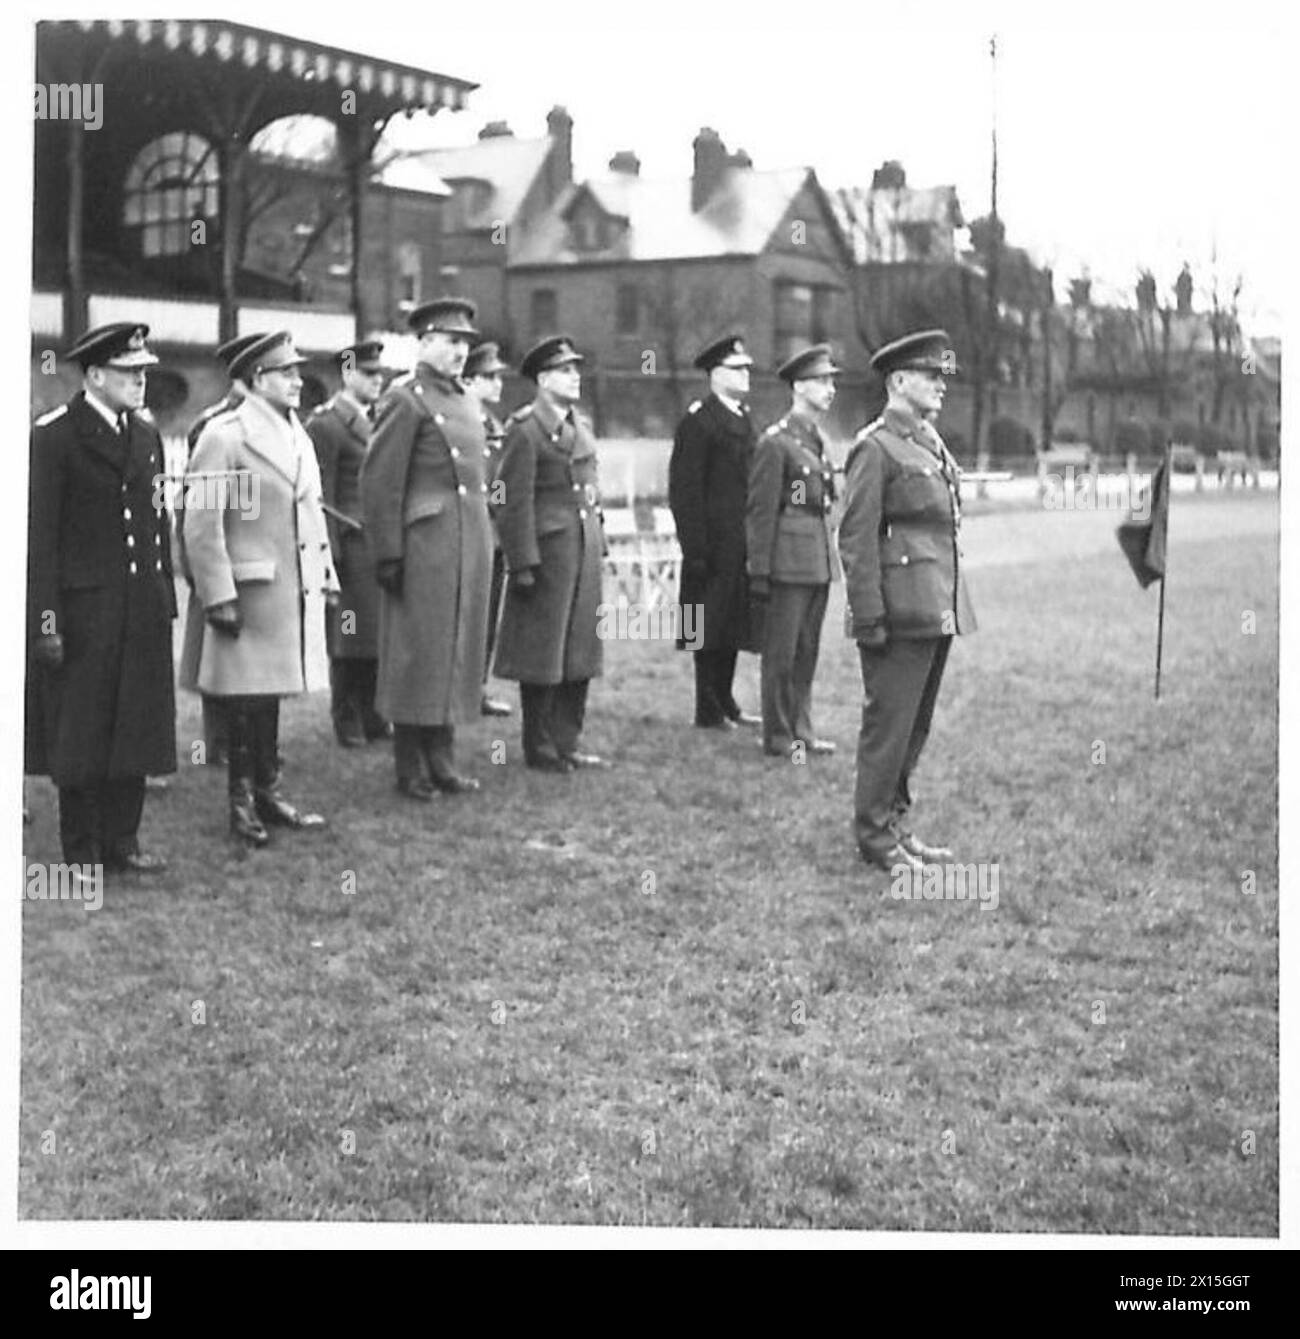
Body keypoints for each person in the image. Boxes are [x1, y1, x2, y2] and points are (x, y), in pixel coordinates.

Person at [25, 322, 176, 873]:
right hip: (83, 609)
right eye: (128, 372)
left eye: (143, 372)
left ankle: (123, 841)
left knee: (134, 721)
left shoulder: (146, 435)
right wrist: (45, 623)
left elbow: (157, 521)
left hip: (139, 604)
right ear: (93, 374)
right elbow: (38, 540)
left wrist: (165, 599)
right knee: (82, 727)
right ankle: (81, 847)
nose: (140, 382)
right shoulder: (56, 436)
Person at [184, 331, 338, 846]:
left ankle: (268, 792)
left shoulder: (298, 434)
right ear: (255, 379)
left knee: (269, 698)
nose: (298, 381)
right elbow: (201, 526)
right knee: (243, 703)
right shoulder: (224, 435)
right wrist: (218, 595)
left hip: (287, 590)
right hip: (248, 592)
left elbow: (310, 513)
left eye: (297, 371)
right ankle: (241, 801)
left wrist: (326, 574)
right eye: (286, 372)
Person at [837, 329, 976, 873]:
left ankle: (894, 823)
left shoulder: (925, 441)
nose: (941, 384)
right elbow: (856, 538)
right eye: (930, 375)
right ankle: (874, 837)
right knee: (889, 725)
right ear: (897, 382)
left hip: (935, 605)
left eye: (942, 375)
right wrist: (869, 616)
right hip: (896, 612)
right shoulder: (875, 447)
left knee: (915, 725)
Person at [360, 298, 494, 801]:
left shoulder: (466, 400)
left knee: (455, 650)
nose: (460, 352)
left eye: (465, 343)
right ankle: (410, 763)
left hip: (467, 543)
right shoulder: (405, 398)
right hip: (423, 547)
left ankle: (442, 757)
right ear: (425, 342)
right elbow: (380, 482)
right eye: (450, 341)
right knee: (418, 654)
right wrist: (388, 553)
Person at [492, 335, 607, 772]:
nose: (575, 377)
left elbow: (592, 491)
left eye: (576, 369)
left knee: (580, 650)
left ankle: (567, 740)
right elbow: (506, 497)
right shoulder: (525, 430)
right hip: (546, 555)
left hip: (583, 549)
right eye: (564, 370)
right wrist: (521, 560)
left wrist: (601, 538)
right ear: (542, 379)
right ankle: (538, 745)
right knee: (541, 652)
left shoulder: (583, 427)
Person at [746, 343, 841, 759]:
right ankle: (779, 733)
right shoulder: (776, 443)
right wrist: (760, 570)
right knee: (781, 655)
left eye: (831, 380)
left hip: (817, 558)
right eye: (822, 381)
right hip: (787, 561)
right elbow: (761, 511)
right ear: (799, 387)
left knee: (806, 652)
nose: (830, 388)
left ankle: (802, 729)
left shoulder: (818, 439)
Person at [667, 333, 761, 730]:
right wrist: (696, 547)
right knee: (704, 625)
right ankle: (706, 706)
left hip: (739, 541)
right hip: (709, 544)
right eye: (736, 370)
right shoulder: (699, 421)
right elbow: (684, 489)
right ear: (715, 375)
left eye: (746, 369)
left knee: (731, 623)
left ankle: (725, 699)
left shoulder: (742, 418)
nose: (745, 376)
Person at [176, 332, 261, 767]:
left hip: (254, 554)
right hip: (217, 550)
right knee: (217, 650)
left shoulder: (274, 423)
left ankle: (248, 743)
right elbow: (197, 502)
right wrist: (198, 567)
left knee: (248, 654)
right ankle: (217, 742)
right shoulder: (215, 426)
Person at [306, 339, 388, 747]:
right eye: (369, 373)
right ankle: (347, 714)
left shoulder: (379, 420)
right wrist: (331, 555)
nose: (378, 381)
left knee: (374, 633)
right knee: (348, 633)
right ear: (347, 374)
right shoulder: (327, 424)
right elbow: (322, 496)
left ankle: (372, 711)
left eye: (380, 373)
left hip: (375, 543)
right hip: (349, 545)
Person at [461, 339, 513, 719]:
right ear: (469, 381)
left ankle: (476, 687)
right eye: (489, 377)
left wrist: (501, 503)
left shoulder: (494, 424)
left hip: (493, 537)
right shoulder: (461, 420)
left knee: (487, 614)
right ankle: (458, 688)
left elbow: (500, 482)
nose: (498, 384)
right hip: (465, 534)